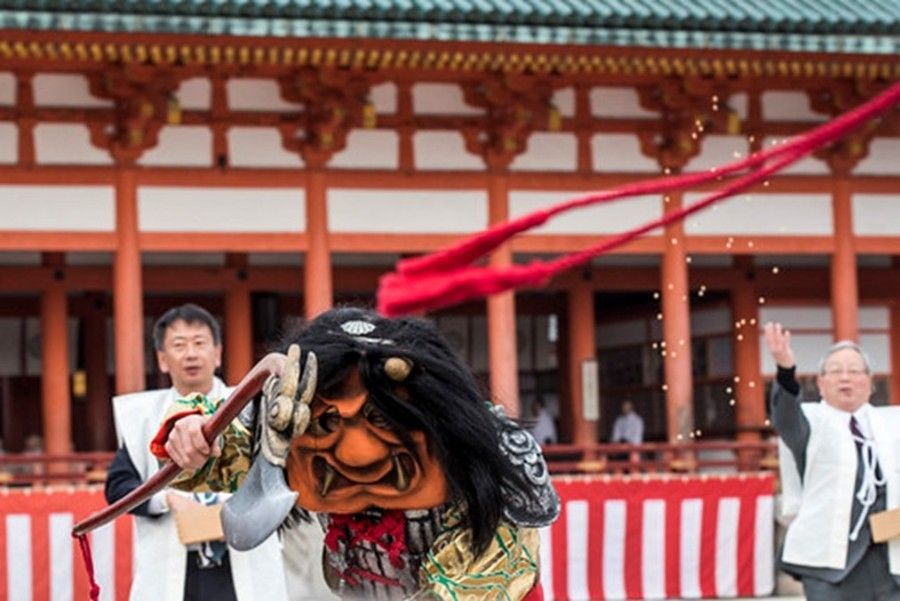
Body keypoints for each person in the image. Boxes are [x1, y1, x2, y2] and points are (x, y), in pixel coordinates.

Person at [157, 307, 559, 600]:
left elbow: (477, 583)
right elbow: (214, 453)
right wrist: (192, 434)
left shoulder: (481, 454)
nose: (357, 454)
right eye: (329, 423)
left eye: (383, 422)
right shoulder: (295, 434)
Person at [104, 303, 289, 601]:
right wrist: (168, 499)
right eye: (179, 345)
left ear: (217, 353)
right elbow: (118, 489)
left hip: (243, 561)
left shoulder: (254, 405)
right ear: (163, 360)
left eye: (200, 343)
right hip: (175, 565)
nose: (191, 353)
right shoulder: (142, 416)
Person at [765, 321, 900, 599]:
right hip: (829, 559)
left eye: (854, 371)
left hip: (888, 553)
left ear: (870, 383)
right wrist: (786, 371)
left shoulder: (892, 422)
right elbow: (786, 416)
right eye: (836, 372)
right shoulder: (810, 421)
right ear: (821, 383)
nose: (845, 378)